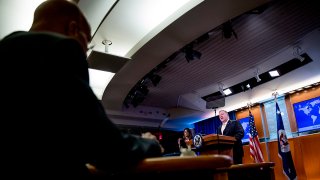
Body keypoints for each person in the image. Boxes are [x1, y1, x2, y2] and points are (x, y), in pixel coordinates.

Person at [0, 0, 163, 179]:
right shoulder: (60, 49)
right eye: (88, 40)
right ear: (73, 29)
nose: (85, 51)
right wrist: (150, 143)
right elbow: (106, 148)